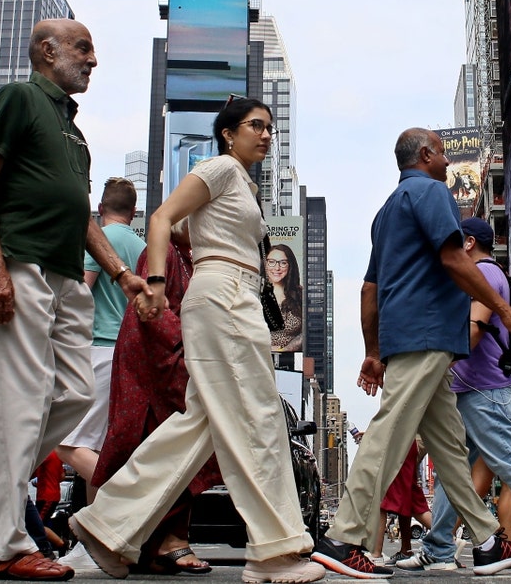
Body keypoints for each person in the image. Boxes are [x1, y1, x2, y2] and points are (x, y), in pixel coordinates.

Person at [66, 96, 323, 583]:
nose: (266, 134)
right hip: (225, 297)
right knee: (261, 416)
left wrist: (196, 247)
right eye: (255, 125)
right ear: (229, 133)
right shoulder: (221, 167)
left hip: (231, 295)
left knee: (201, 425)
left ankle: (106, 525)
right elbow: (162, 218)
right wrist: (158, 284)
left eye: (270, 127)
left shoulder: (240, 184)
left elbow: (185, 231)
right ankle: (275, 551)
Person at [0, 18, 148, 582]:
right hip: (22, 267)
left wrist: (122, 274)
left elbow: (82, 216)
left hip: (69, 279)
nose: (93, 59)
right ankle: (7, 544)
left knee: (74, 397)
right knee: (22, 403)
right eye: (84, 48)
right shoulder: (19, 98)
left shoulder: (74, 131)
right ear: (47, 51)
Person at [311, 128, 511, 579]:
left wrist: (373, 351)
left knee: (451, 446)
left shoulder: (386, 212)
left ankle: (488, 541)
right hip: (429, 330)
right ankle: (342, 536)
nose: (450, 164)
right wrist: (506, 313)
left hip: (406, 334)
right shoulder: (433, 193)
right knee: (390, 429)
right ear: (427, 154)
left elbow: (369, 288)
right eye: (443, 154)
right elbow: (455, 260)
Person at [401, 217, 511, 573]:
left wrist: (435, 366)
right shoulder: (487, 273)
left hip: (485, 389)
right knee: (454, 471)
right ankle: (438, 548)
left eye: (456, 243)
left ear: (468, 243)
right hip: (473, 389)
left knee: (508, 461)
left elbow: (475, 329)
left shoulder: (484, 274)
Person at [75, 219, 221, 575]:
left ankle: (155, 544)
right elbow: (152, 309)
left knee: (177, 452)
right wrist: (190, 349)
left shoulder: (188, 257)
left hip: (170, 363)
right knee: (157, 449)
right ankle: (158, 541)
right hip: (152, 365)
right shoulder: (162, 252)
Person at [55, 176, 145, 510]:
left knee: (66, 444)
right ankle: (95, 536)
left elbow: (81, 289)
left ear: (100, 208)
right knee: (102, 448)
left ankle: (129, 497)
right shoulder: (143, 248)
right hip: (130, 355)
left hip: (97, 350)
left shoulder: (100, 240)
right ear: (134, 212)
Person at [370, 440, 432, 566]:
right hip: (406, 444)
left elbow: (393, 421)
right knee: (410, 498)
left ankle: (375, 554)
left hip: (400, 444)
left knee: (380, 495)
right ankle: (406, 550)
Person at [267, 244, 304, 352]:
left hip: (290, 361)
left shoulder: (301, 295)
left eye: (283, 263)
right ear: (265, 264)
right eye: (271, 262)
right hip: (256, 359)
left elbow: (307, 332)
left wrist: (284, 350)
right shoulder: (254, 292)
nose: (277, 268)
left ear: (290, 265)